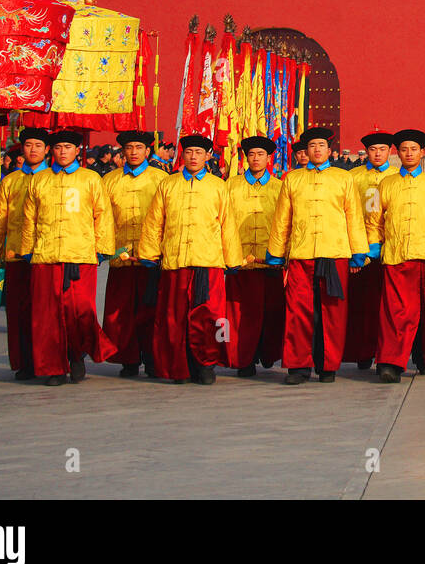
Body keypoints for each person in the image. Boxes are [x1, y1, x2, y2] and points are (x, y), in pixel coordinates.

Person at [136, 134, 244, 384]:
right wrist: (150, 253)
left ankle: (208, 364)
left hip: (208, 262)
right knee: (173, 317)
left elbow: (228, 224)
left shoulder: (218, 186)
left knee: (213, 317)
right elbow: (155, 222)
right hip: (176, 261)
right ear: (182, 156)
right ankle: (178, 365)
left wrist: (233, 258)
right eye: (189, 152)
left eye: (199, 152)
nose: (193, 157)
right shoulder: (168, 185)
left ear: (208, 156)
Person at [264, 127, 367, 384]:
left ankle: (328, 365)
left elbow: (354, 216)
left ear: (330, 150)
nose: (317, 150)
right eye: (312, 146)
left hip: (334, 253)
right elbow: (282, 219)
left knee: (333, 312)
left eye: (322, 145)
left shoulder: (344, 179)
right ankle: (298, 366)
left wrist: (358, 253)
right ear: (306, 151)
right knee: (298, 311)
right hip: (301, 252)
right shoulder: (292, 179)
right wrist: (276, 252)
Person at [17, 130, 117, 386]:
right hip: (46, 256)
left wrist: (101, 249)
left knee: (79, 312)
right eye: (59, 147)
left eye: (68, 147)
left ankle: (76, 355)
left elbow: (102, 215)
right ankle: (53, 367)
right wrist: (28, 250)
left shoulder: (91, 179)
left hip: (80, 255)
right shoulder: (39, 180)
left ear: (77, 151)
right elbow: (29, 219)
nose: (63, 151)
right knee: (47, 317)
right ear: (53, 150)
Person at [364, 129, 425, 382]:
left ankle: (424, 358)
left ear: (422, 152)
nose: (409, 153)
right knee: (394, 312)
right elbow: (372, 219)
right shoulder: (383, 184)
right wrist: (374, 244)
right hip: (396, 257)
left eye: (414, 149)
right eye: (404, 149)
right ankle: (390, 362)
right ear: (398, 153)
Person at [0, 128, 51, 379]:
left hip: (46, 255)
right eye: (28, 145)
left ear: (46, 149)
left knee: (46, 313)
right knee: (19, 312)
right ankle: (25, 363)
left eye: (38, 145)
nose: (33, 150)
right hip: (17, 255)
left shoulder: (55, 179)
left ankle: (49, 361)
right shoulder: (11, 181)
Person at [101, 130, 170, 378]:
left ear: (147, 151)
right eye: (129, 148)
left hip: (150, 257)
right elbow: (102, 217)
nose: (133, 152)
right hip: (120, 256)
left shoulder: (161, 179)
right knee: (121, 312)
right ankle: (128, 359)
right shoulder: (109, 181)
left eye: (138, 147)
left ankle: (152, 358)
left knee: (151, 310)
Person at [223, 135, 286, 378]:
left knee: (272, 312)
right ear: (246, 158)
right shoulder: (231, 185)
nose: (256, 159)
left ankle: (268, 354)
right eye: (251, 155)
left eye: (261, 154)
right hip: (240, 262)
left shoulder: (279, 187)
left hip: (270, 262)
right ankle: (243, 359)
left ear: (269, 158)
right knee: (241, 315)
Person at [344, 129, 397, 370]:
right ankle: (362, 352)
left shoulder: (398, 176)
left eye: (382, 149)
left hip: (391, 249)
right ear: (366, 152)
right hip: (361, 250)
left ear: (390, 152)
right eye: (373, 150)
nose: (377, 154)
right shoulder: (352, 177)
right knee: (361, 305)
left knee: (388, 305)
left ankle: (386, 352)